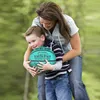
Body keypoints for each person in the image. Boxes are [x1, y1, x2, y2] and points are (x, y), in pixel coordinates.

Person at [23, 2, 89, 100]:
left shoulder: (68, 22)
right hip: (47, 58)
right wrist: (25, 63)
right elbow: (31, 46)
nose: (44, 26)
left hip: (70, 54)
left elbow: (77, 50)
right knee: (42, 92)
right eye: (42, 23)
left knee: (76, 84)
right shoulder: (37, 22)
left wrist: (54, 61)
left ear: (56, 20)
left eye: (48, 23)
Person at [24, 26, 72, 100]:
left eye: (33, 41)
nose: (31, 45)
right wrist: (36, 71)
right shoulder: (36, 53)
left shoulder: (53, 47)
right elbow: (42, 68)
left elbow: (59, 64)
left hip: (61, 78)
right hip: (48, 80)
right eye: (29, 43)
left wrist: (51, 67)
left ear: (42, 38)